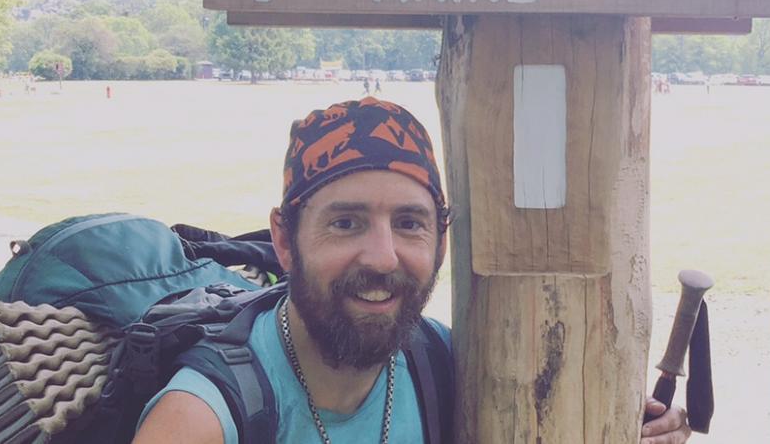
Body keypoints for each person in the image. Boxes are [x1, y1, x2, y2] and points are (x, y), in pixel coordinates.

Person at [133, 98, 692, 444]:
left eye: (409, 223)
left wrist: (630, 427)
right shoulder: (204, 419)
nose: (382, 257)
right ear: (284, 238)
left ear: (442, 239)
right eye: (347, 223)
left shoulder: (453, 367)